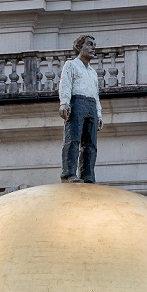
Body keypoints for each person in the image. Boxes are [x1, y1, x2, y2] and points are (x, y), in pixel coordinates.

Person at [59, 35, 103, 183]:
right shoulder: (71, 65)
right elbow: (65, 84)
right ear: (79, 47)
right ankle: (69, 173)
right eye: (89, 44)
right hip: (76, 101)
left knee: (91, 143)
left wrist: (99, 114)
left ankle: (88, 175)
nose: (93, 48)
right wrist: (64, 103)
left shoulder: (93, 72)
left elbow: (96, 94)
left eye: (94, 45)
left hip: (91, 104)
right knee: (73, 138)